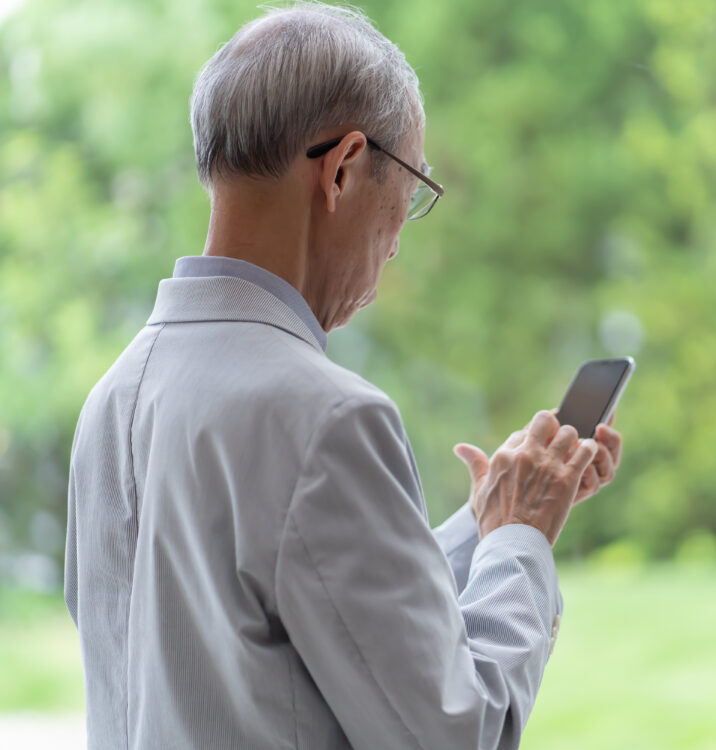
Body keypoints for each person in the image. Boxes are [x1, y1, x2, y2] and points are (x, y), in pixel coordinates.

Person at [64, 2, 624, 748]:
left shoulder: (114, 399)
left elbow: (293, 594)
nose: (398, 240)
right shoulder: (324, 417)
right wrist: (520, 544)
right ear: (344, 170)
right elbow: (458, 732)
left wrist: (490, 520)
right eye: (413, 187)